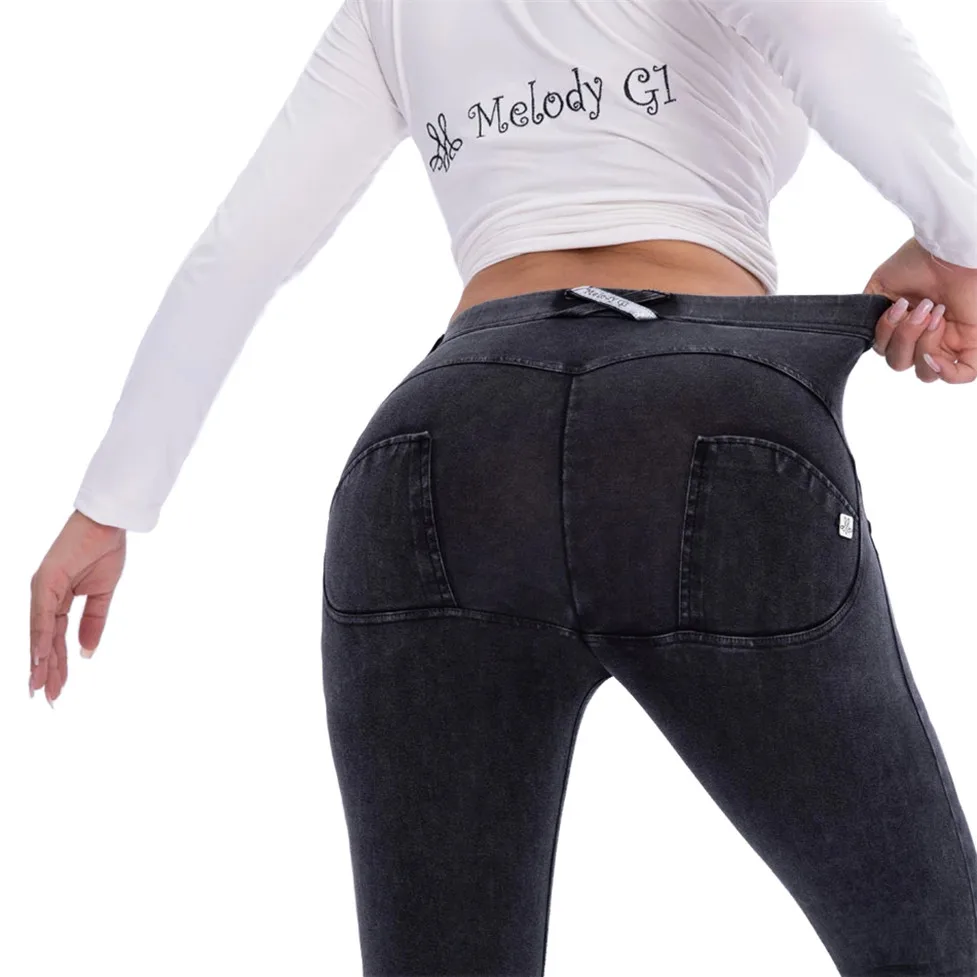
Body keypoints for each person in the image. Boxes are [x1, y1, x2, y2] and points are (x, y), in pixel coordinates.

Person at [28, 0, 977, 973]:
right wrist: (960, 245)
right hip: (703, 421)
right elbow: (831, 31)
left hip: (444, 445)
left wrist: (106, 507)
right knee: (933, 948)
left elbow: (242, 249)